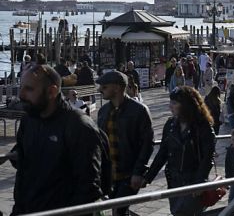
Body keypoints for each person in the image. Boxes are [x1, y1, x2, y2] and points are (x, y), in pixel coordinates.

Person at [7, 65, 109, 214]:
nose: (21, 95)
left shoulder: (79, 126)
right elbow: (24, 166)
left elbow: (88, 187)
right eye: (21, 87)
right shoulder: (29, 119)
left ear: (52, 92)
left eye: (29, 89)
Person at [144, 86, 216, 216]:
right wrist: (148, 177)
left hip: (192, 181)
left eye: (174, 103)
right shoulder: (170, 125)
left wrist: (200, 181)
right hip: (174, 180)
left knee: (184, 212)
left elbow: (208, 156)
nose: (170, 106)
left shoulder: (202, 126)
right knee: (176, 212)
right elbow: (162, 153)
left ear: (186, 105)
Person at [96, 70, 154, 216]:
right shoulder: (103, 112)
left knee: (119, 211)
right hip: (109, 175)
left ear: (116, 87)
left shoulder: (139, 110)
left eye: (104, 87)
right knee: (118, 210)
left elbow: (147, 143)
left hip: (129, 173)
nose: (99, 90)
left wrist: (138, 171)